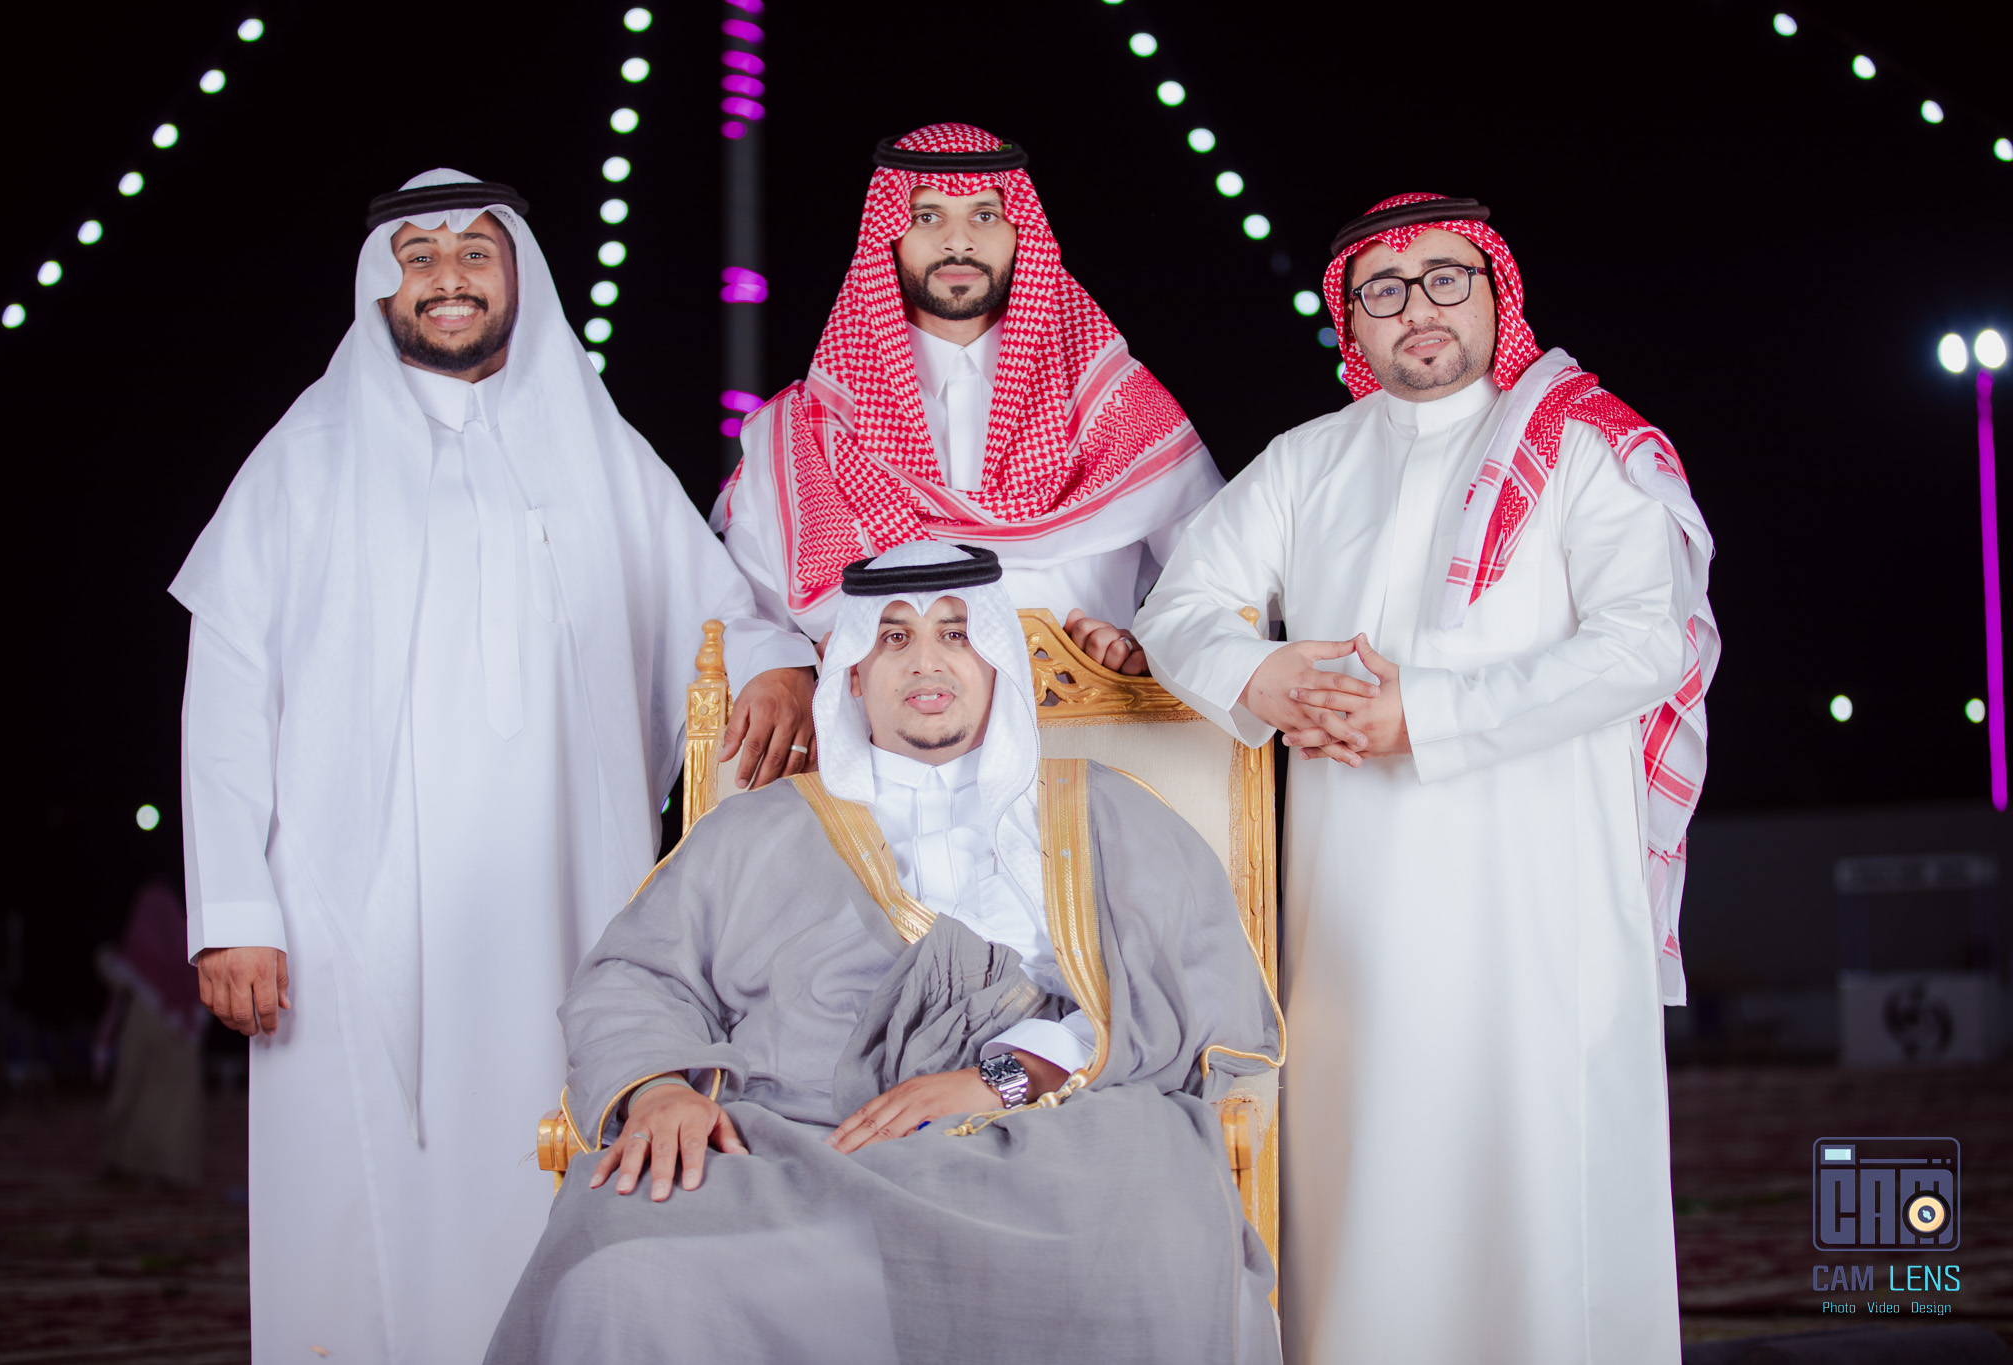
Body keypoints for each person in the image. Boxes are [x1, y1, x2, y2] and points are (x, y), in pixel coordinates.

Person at [170, 170, 819, 1363]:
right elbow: (224, 699)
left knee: (557, 1174)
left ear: (518, 274)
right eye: (417, 256)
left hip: (561, 901)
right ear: (381, 288)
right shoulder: (303, 460)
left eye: (474, 251)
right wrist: (235, 916)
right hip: (349, 920)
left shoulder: (597, 448)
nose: (448, 277)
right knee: (357, 1222)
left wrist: (777, 665)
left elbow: (720, 611)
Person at [1135, 193, 1718, 1364]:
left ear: (1496, 293)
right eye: (1383, 290)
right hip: (1358, 903)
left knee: (1541, 1173)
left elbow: (1644, 643)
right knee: (1371, 1169)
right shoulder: (1307, 461)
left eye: (1446, 278)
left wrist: (1424, 715)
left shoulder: (1584, 445)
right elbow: (1179, 610)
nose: (1418, 307)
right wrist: (1264, 676)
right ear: (1350, 320)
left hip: (1539, 893)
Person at [486, 542, 1282, 1365]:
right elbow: (634, 975)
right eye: (894, 637)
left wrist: (1003, 1076)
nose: (926, 662)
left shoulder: (1106, 812)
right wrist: (657, 1090)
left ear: (998, 658)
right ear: (854, 673)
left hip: (1043, 1142)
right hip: (800, 1149)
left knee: (1164, 1233)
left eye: (957, 633)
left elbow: (1192, 989)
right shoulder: (752, 831)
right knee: (614, 1262)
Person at [715, 122, 1222, 676]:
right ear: (889, 234)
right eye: (927, 216)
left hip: (1089, 726)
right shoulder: (807, 430)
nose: (958, 241)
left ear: (1021, 230)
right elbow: (737, 616)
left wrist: (1150, 648)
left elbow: (1221, 583)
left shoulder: (1116, 404)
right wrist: (779, 669)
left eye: (984, 215)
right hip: (874, 731)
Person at [93, 881, 207, 1187]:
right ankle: (174, 1169)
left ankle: (127, 1163)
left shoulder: (137, 954)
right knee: (176, 1103)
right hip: (183, 1031)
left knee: (134, 1089)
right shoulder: (187, 950)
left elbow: (115, 971)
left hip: (144, 1021)